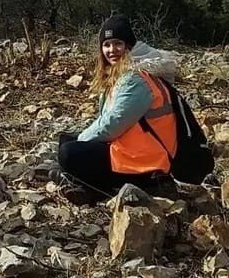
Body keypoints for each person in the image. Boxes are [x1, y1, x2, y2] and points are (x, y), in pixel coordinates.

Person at [57, 14, 178, 203]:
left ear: (128, 45)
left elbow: (114, 123)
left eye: (117, 44)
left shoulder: (136, 80)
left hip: (146, 164)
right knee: (66, 140)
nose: (111, 50)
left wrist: (83, 139)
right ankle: (86, 185)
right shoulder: (124, 75)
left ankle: (104, 190)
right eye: (106, 45)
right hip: (134, 153)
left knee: (69, 153)